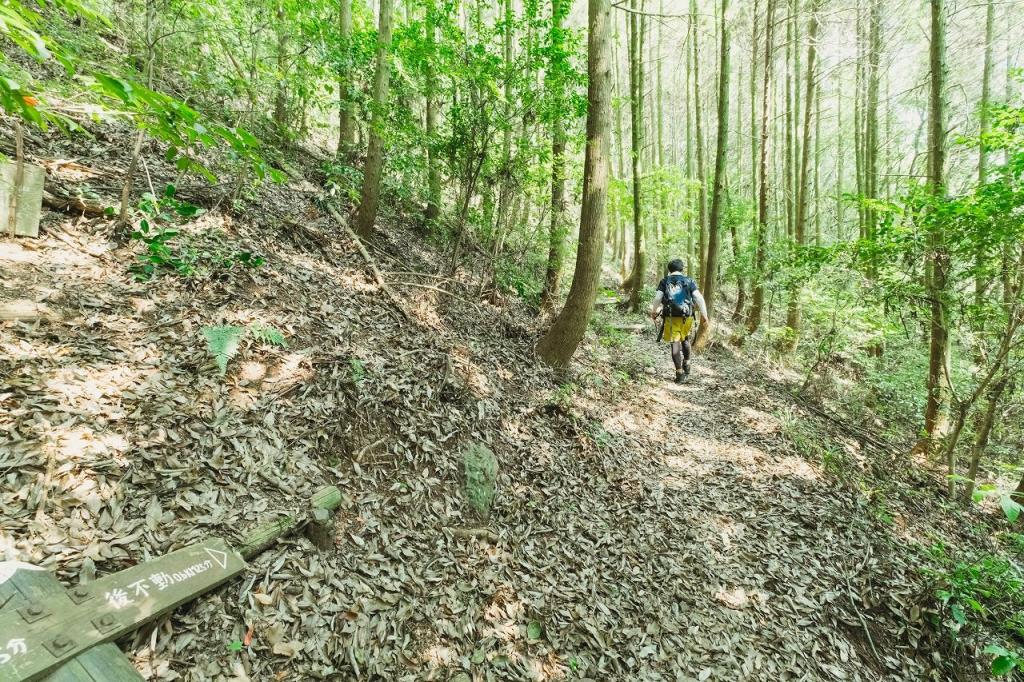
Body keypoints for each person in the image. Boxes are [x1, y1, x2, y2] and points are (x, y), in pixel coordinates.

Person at [649, 259, 709, 383]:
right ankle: (687, 363)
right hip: (687, 317)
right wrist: (704, 315)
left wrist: (654, 311)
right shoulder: (689, 281)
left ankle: (679, 373)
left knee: (675, 343)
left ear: (669, 270)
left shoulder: (664, 281)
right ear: (682, 269)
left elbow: (658, 298)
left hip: (671, 317)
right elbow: (699, 298)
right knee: (685, 339)